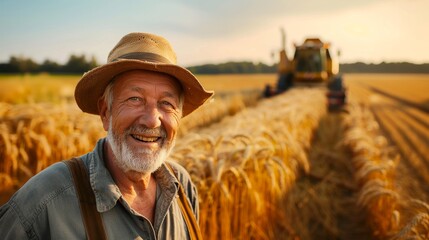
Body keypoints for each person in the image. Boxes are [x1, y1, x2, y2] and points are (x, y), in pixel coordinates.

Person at [0, 32, 213, 239]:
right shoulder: (42, 203)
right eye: (135, 99)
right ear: (105, 112)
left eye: (166, 103)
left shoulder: (182, 187)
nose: (151, 120)